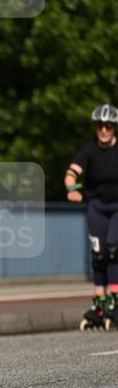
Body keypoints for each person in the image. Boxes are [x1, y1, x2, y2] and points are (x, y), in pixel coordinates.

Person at [64, 103, 118, 330]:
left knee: (113, 249)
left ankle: (115, 298)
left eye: (108, 126)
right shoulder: (89, 149)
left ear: (114, 128)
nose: (103, 130)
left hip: (117, 207)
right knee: (98, 255)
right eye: (99, 126)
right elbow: (72, 172)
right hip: (96, 206)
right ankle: (100, 301)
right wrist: (71, 188)